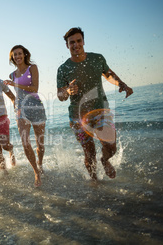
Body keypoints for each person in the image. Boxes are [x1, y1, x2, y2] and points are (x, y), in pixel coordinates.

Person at [57, 27, 133, 180]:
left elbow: (108, 74)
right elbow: (60, 95)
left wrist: (121, 84)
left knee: (111, 146)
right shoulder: (63, 69)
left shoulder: (97, 58)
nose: (76, 45)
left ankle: (104, 160)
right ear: (67, 45)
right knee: (89, 153)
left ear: (83, 41)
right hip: (77, 117)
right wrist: (68, 91)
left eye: (79, 41)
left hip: (101, 111)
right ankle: (94, 182)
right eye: (72, 42)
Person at [4, 45, 47, 187]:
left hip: (36, 107)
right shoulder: (12, 75)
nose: (17, 56)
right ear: (12, 57)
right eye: (15, 54)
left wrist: (15, 84)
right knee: (25, 142)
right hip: (21, 110)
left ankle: (40, 163)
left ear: (24, 54)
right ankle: (36, 172)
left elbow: (35, 88)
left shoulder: (32, 68)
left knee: (40, 143)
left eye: (20, 53)